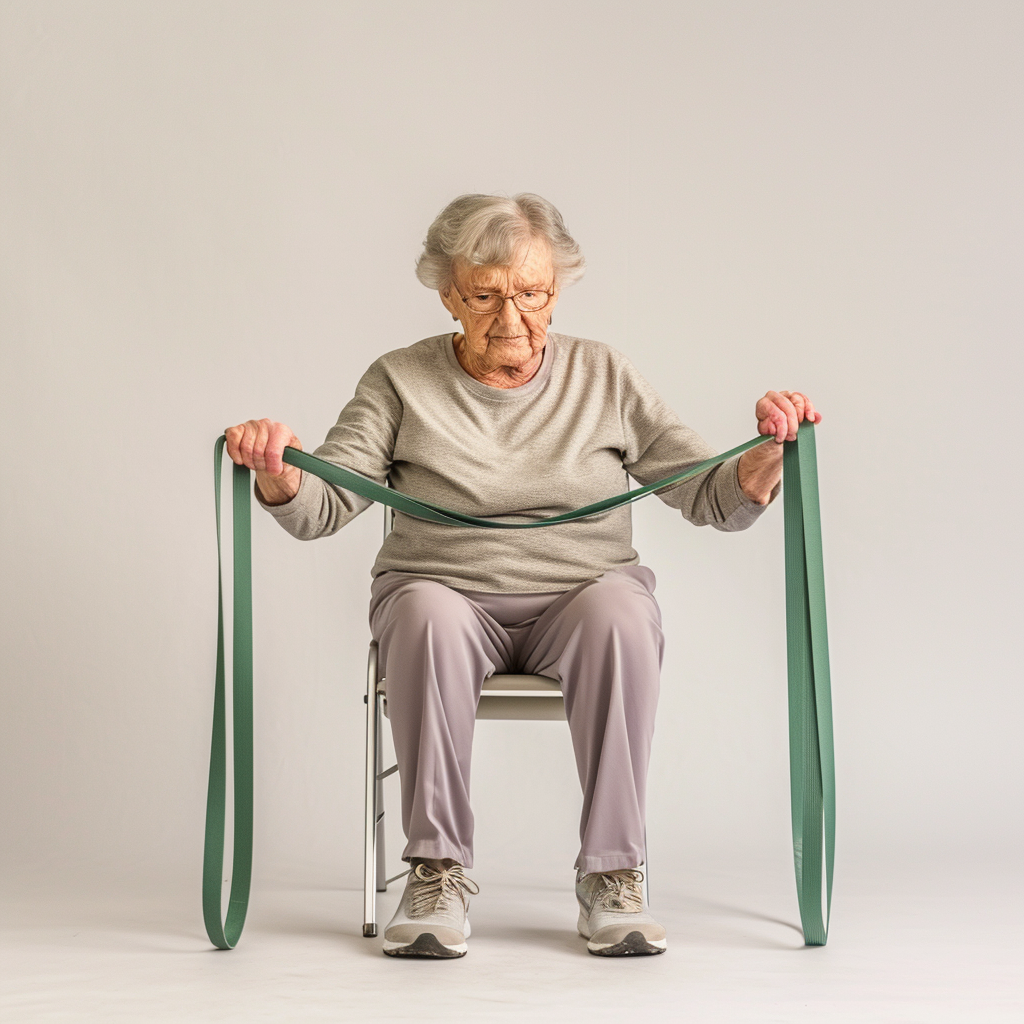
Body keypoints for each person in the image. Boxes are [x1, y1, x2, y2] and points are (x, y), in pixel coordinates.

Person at [224, 192, 821, 960]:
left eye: (532, 294)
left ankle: (612, 876)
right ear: (447, 294)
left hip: (581, 594)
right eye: (485, 296)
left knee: (623, 614)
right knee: (424, 615)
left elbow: (708, 495)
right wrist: (275, 468)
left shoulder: (605, 376)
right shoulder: (400, 381)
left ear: (558, 289)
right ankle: (436, 873)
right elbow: (321, 505)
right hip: (443, 593)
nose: (512, 319)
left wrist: (772, 450)